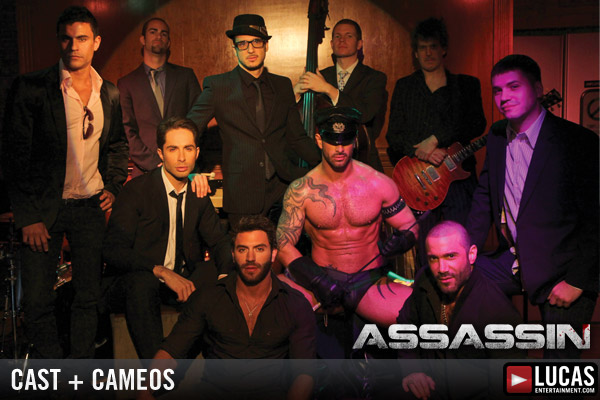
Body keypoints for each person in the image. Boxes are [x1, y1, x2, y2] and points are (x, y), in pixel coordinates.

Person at [0, 6, 129, 358]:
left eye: (82, 38)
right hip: (43, 210)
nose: (74, 46)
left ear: (96, 42)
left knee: (89, 298)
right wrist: (28, 216)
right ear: (59, 41)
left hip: (89, 208)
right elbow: (13, 157)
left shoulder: (109, 93)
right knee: (37, 301)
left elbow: (118, 145)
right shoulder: (32, 88)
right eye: (66, 39)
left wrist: (114, 186)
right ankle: (54, 372)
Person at [467, 54, 599, 359]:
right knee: (445, 274)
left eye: (514, 86)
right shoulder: (497, 136)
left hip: (564, 270)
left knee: (559, 369)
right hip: (514, 260)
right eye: (497, 90)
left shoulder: (578, 141)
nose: (503, 97)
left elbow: (596, 221)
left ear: (538, 89)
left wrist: (577, 281)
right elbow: (484, 198)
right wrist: (465, 251)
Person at [276, 106, 418, 358]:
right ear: (319, 140)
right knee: (268, 296)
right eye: (332, 141)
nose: (339, 149)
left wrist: (403, 239)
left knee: (419, 313)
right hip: (320, 281)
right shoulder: (302, 190)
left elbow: (411, 225)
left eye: (345, 141)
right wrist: (317, 280)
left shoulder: (378, 183)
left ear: (355, 141)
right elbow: (283, 244)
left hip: (369, 282)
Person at [143, 215, 316, 400]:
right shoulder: (208, 298)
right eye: (243, 249)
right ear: (233, 254)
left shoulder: (294, 304)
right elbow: (172, 351)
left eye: (259, 249)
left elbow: (303, 375)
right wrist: (145, 391)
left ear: (273, 254)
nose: (250, 258)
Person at [102, 117, 233, 359]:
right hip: (136, 282)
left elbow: (219, 241)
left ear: (197, 153)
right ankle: (155, 370)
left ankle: (218, 365)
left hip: (178, 280)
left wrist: (225, 275)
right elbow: (113, 250)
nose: (182, 158)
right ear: (161, 154)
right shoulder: (138, 190)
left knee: (217, 272)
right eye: (173, 149)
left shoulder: (197, 192)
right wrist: (160, 271)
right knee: (143, 282)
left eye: (188, 149)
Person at [186, 14, 321, 228]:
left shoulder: (282, 85)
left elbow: (297, 138)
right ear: (235, 49)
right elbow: (188, 129)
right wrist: (189, 170)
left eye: (256, 42)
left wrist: (326, 164)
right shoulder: (218, 86)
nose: (250, 49)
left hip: (284, 190)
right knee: (246, 251)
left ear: (266, 45)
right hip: (242, 194)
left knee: (286, 249)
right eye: (242, 44)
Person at [385, 17, 486, 268]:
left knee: (462, 246)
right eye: (422, 48)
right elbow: (393, 137)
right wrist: (424, 153)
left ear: (444, 49)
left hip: (459, 181)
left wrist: (437, 139)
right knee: (425, 252)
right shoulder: (405, 87)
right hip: (419, 182)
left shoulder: (466, 85)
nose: (428, 53)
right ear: (415, 53)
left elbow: (478, 123)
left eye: (433, 46)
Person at [397, 221, 523, 400]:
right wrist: (412, 370)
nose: (442, 269)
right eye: (434, 258)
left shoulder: (495, 309)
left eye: (450, 256)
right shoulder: (425, 281)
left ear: (471, 255)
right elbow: (405, 325)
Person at [293, 19, 387, 172]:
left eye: (349, 36)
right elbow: (296, 116)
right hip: (324, 163)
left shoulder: (375, 78)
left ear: (359, 44)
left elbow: (365, 114)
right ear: (331, 44)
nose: (342, 40)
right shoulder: (320, 76)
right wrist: (296, 93)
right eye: (337, 36)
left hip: (362, 161)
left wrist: (328, 89)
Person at [118, 18, 201, 178]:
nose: (158, 36)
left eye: (164, 33)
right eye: (153, 32)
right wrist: (153, 163)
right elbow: (127, 130)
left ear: (168, 42)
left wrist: (184, 156)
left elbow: (198, 120)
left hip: (183, 166)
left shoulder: (185, 76)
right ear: (143, 39)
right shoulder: (127, 83)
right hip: (144, 170)